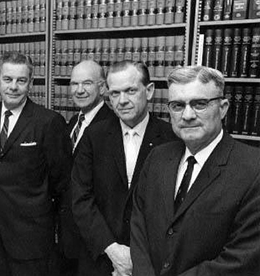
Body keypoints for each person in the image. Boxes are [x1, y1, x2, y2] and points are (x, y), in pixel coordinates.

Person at [130, 66, 260, 276]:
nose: (187, 115)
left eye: (199, 104)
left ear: (223, 107)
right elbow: (139, 226)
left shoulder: (253, 169)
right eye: (178, 106)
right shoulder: (158, 158)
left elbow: (242, 258)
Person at [72, 61, 177, 276]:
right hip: (100, 257)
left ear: (149, 91)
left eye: (130, 91)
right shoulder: (94, 136)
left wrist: (136, 257)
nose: (122, 101)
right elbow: (80, 198)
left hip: (151, 262)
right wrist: (112, 250)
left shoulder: (172, 139)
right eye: (115, 93)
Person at [0, 51, 72, 276]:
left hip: (32, 235)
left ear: (31, 83)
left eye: (21, 81)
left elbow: (62, 183)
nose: (13, 87)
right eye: (8, 79)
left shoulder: (49, 122)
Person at [58, 60, 116, 276]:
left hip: (94, 240)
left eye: (87, 83)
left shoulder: (111, 126)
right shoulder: (74, 121)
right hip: (68, 236)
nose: (79, 90)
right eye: (74, 84)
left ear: (102, 88)